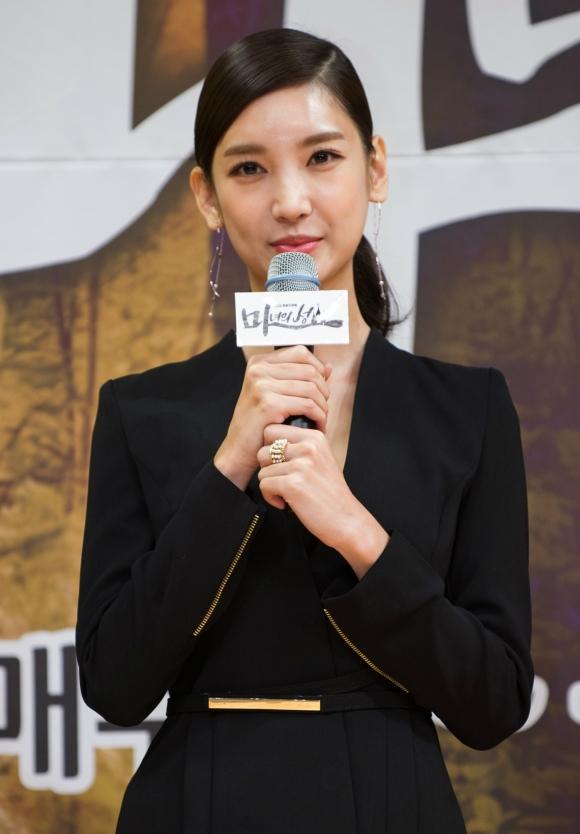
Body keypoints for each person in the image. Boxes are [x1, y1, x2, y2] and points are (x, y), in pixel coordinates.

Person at [75, 28, 533, 834]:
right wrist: (229, 467)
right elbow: (114, 683)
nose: (289, 200)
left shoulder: (468, 410)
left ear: (375, 168)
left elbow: (493, 701)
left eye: (322, 157)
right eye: (249, 169)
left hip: (390, 803)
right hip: (196, 803)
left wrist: (355, 530)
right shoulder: (142, 411)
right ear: (207, 197)